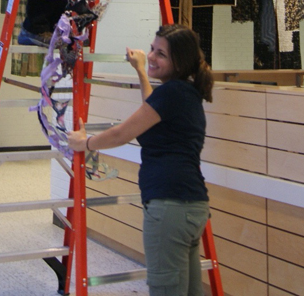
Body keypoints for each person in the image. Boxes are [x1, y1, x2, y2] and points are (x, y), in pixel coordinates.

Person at [67, 24, 215, 296]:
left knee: (166, 290)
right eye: (152, 49)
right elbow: (152, 106)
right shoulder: (184, 93)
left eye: (161, 54)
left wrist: (85, 143)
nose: (151, 57)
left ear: (179, 62)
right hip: (192, 208)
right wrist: (139, 69)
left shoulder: (172, 94)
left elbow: (123, 133)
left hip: (169, 208)